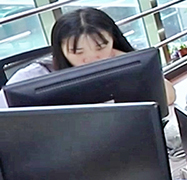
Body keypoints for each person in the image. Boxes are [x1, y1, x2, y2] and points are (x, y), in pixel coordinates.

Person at [3, 7, 176, 108]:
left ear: (113, 39)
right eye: (78, 52)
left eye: (101, 47)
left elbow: (168, 97)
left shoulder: (122, 62)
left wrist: (128, 62)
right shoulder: (34, 76)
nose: (92, 58)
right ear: (60, 50)